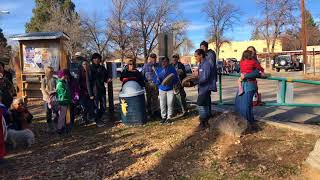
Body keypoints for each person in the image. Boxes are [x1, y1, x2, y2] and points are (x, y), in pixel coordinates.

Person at [153, 56, 178, 123]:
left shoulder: (172, 69)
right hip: (161, 89)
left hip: (170, 89)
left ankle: (169, 117)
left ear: (168, 62)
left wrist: (171, 82)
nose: (164, 63)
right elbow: (155, 79)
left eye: (165, 62)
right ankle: (163, 117)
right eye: (163, 62)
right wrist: (157, 81)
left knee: (170, 103)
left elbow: (176, 79)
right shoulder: (158, 69)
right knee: (162, 103)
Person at [194, 49, 214, 130]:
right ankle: (206, 122)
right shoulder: (201, 64)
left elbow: (205, 78)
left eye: (196, 56)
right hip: (202, 88)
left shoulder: (206, 64)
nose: (195, 58)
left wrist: (195, 81)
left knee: (200, 104)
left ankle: (203, 123)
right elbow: (200, 76)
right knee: (205, 105)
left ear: (201, 55)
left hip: (205, 89)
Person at [90, 53, 111, 127]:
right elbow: (88, 81)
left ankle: (98, 118)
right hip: (94, 90)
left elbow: (106, 77)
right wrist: (90, 93)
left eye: (98, 58)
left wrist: (108, 79)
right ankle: (97, 120)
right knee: (95, 106)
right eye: (95, 58)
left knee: (104, 106)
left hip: (102, 89)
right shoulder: (90, 68)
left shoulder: (102, 68)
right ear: (92, 59)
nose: (96, 60)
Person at [200, 41, 218, 117]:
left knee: (206, 96)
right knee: (206, 96)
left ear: (206, 47)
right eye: (201, 47)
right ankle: (207, 113)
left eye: (203, 47)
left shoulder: (210, 55)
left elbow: (209, 67)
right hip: (205, 78)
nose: (202, 49)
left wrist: (202, 78)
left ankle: (207, 114)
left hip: (208, 79)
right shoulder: (205, 55)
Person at [142, 53, 160, 118]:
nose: (153, 59)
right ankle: (149, 112)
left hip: (155, 84)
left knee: (155, 98)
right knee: (149, 98)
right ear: (150, 58)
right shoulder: (146, 66)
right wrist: (144, 84)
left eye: (154, 58)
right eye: (152, 58)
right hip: (148, 84)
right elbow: (142, 75)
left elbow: (161, 74)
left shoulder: (158, 65)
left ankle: (156, 112)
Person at [41, 67, 57, 133]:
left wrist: (54, 91)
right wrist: (47, 96)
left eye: (52, 71)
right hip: (46, 99)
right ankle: (49, 127)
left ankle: (56, 126)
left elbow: (57, 88)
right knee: (48, 112)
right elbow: (43, 89)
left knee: (55, 112)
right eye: (51, 71)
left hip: (54, 98)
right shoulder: (44, 79)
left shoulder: (55, 79)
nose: (52, 73)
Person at [79, 60, 95, 125]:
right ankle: (83, 119)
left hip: (90, 92)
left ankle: (88, 118)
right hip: (82, 92)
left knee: (89, 106)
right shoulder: (80, 73)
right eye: (84, 64)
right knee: (83, 106)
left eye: (86, 64)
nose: (85, 65)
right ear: (82, 65)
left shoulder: (91, 72)